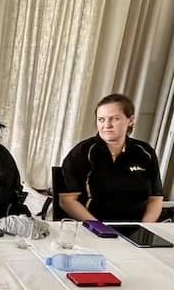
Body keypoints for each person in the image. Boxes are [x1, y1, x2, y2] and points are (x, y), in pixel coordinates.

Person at [60, 94, 163, 222]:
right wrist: (99, 228)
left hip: (137, 228)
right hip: (92, 227)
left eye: (114, 119)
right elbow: (66, 200)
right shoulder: (83, 152)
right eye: (101, 119)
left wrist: (144, 228)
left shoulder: (145, 152)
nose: (107, 125)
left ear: (130, 120)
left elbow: (156, 199)